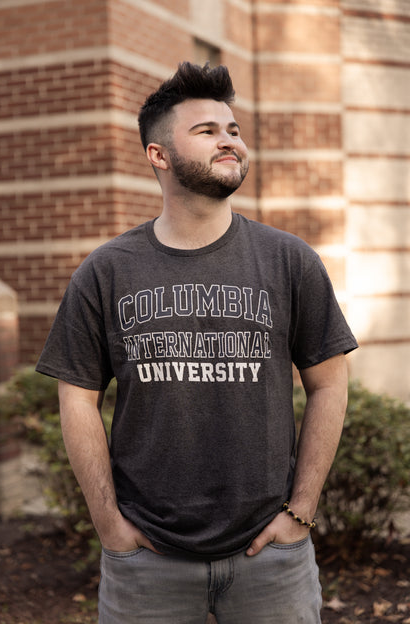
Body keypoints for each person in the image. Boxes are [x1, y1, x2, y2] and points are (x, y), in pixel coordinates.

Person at [36, 62, 358, 623]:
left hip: (272, 558)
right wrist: (109, 523)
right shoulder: (106, 271)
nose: (228, 140)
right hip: (147, 564)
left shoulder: (289, 260)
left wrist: (301, 512)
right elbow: (77, 399)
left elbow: (329, 383)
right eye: (206, 131)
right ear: (158, 156)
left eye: (232, 130)